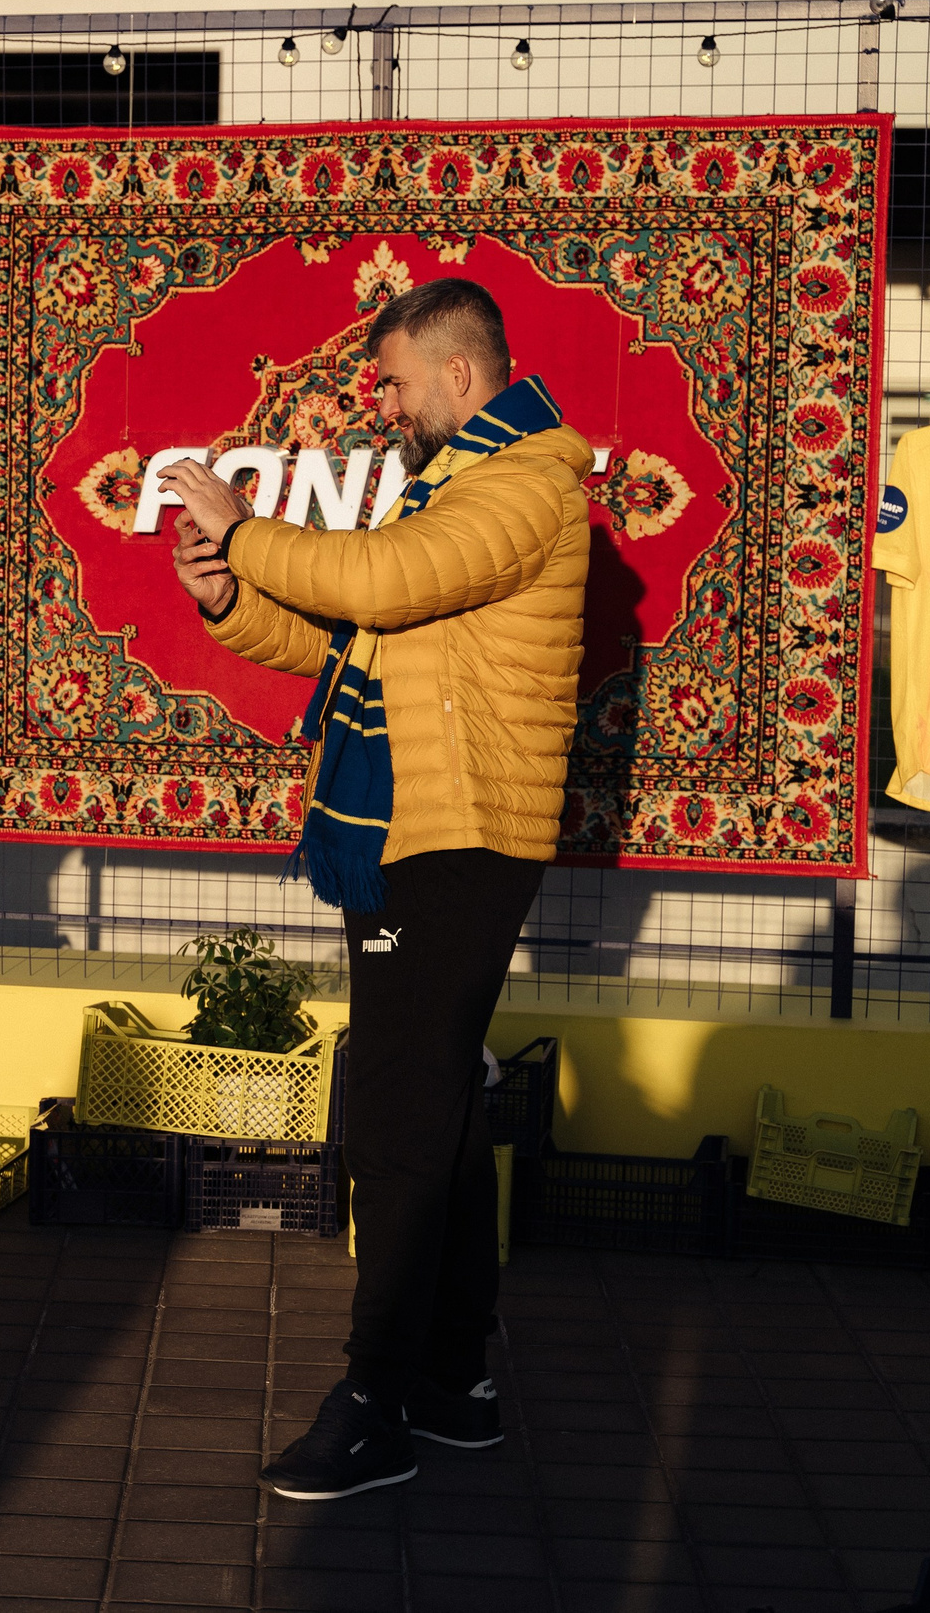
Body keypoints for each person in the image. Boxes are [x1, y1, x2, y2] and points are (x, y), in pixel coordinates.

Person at [162, 277, 590, 1501]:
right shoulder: (457, 485)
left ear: (462, 375)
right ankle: (453, 1383)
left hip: (456, 838)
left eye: (395, 382)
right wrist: (230, 597)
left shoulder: (522, 486)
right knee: (438, 1117)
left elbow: (380, 586)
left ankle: (375, 1403)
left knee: (397, 1125)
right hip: (415, 827)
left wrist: (242, 525)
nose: (382, 405)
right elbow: (357, 646)